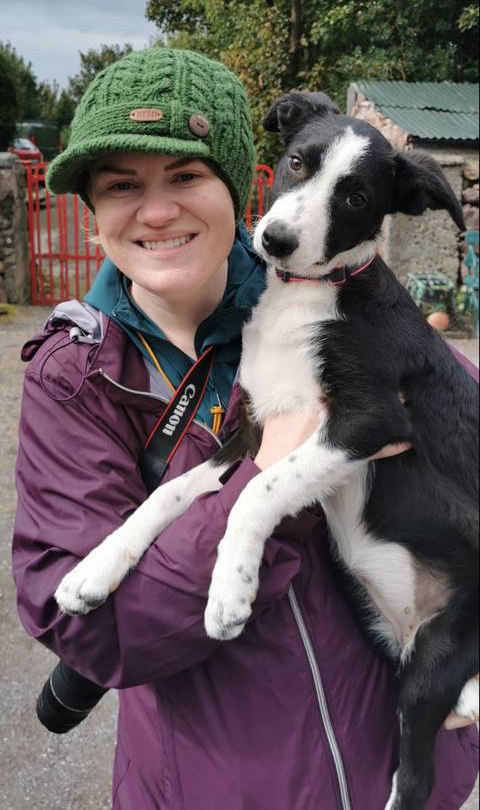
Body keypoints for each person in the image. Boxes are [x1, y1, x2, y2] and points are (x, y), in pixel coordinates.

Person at [12, 48, 478, 810]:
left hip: (396, 766)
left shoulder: (324, 296)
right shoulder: (73, 376)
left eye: (187, 176)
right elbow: (92, 633)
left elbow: (452, 431)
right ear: (90, 208)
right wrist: (258, 492)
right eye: (122, 185)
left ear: (237, 181)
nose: (157, 210)